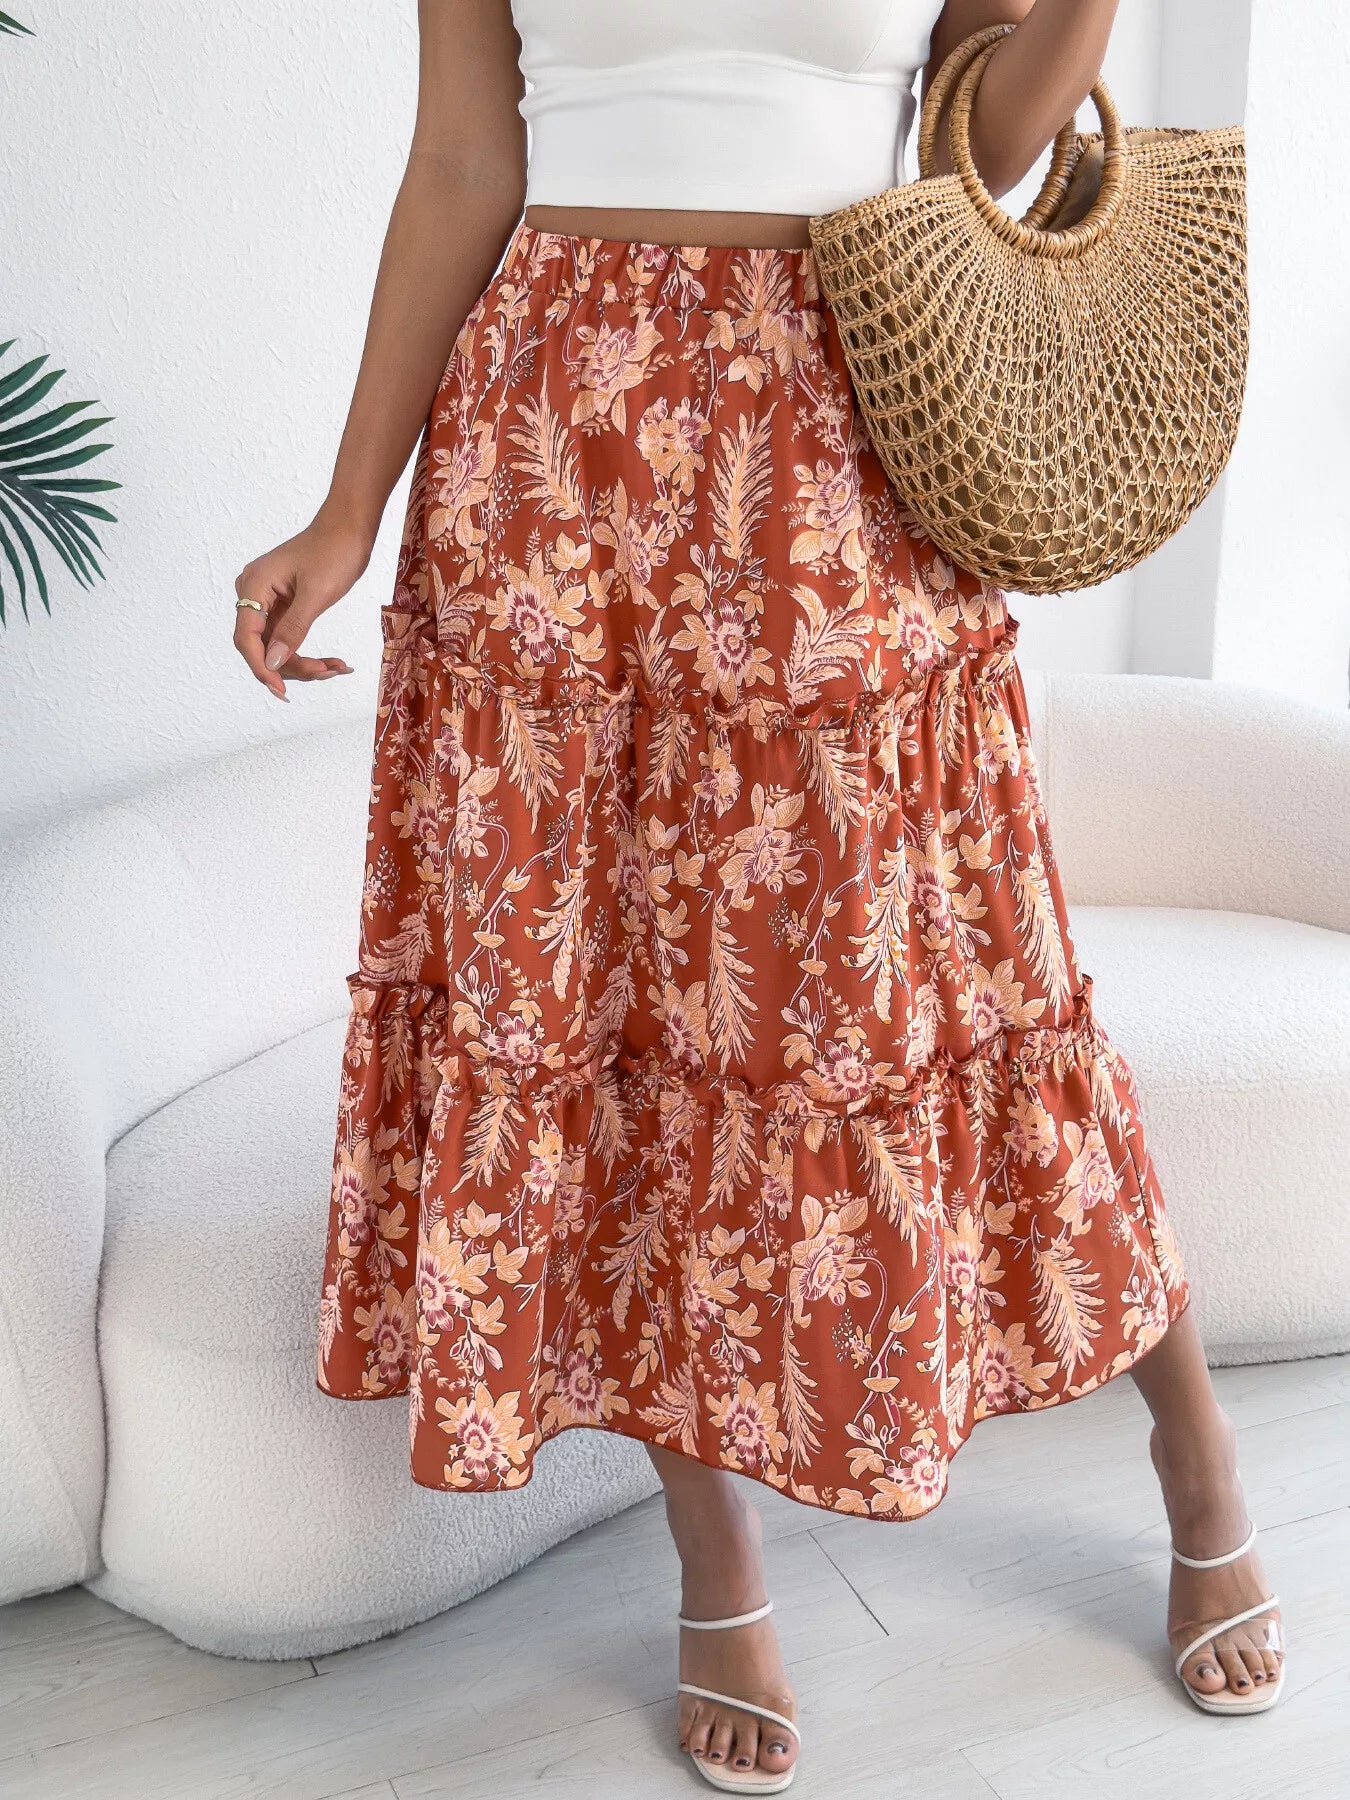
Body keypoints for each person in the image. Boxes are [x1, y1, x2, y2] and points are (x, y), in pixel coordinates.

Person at [233, 3, 1284, 1790]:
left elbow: (998, 136)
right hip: (550, 461)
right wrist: (349, 505)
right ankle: (714, 1568)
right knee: (619, 1018)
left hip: (840, 429)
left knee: (970, 978)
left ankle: (1195, 1458)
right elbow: (465, 163)